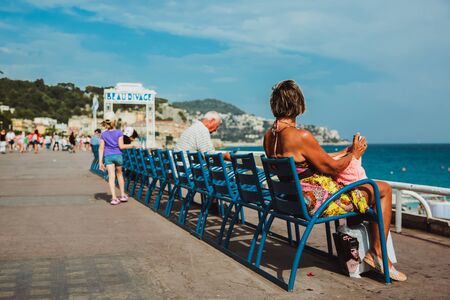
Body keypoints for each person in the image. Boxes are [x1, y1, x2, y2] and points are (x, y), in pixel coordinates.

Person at [263, 79, 406, 281]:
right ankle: (378, 254)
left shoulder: (269, 136)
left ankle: (355, 256)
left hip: (291, 200)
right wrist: (354, 154)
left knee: (361, 190)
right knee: (382, 189)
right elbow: (332, 167)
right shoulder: (300, 136)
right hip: (317, 202)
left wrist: (346, 152)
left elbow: (317, 161)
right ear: (298, 105)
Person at [98, 112, 134, 205]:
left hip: (108, 157)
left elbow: (101, 148)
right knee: (120, 175)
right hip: (118, 156)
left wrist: (100, 162)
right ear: (115, 122)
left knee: (111, 177)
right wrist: (132, 145)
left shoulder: (103, 134)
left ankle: (114, 198)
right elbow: (121, 146)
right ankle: (122, 195)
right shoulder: (119, 132)